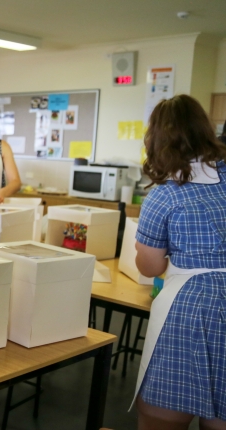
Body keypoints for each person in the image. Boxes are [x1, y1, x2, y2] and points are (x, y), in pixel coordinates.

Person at [133, 95, 226, 430]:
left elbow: (150, 266)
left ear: (156, 139)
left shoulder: (165, 194)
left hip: (190, 307)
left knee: (163, 413)